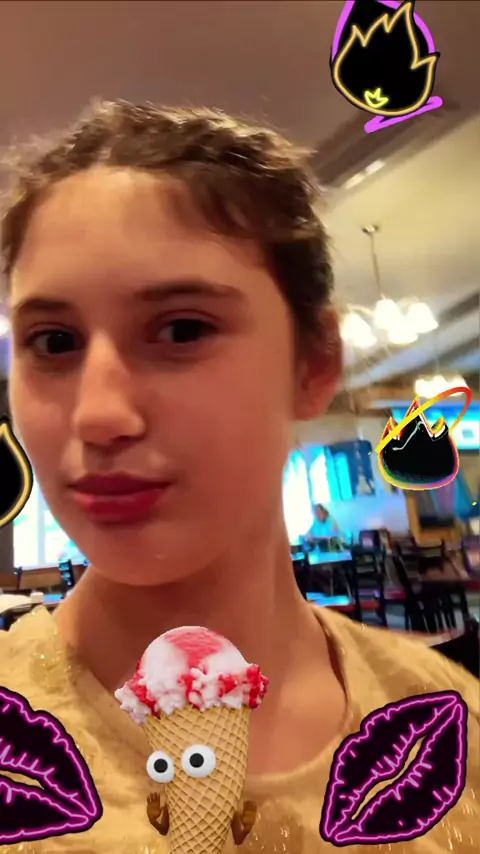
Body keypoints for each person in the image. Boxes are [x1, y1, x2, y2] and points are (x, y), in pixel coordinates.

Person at [0, 100, 478, 853]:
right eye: (53, 342)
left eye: (182, 329)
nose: (99, 415)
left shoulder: (450, 730)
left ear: (314, 363)